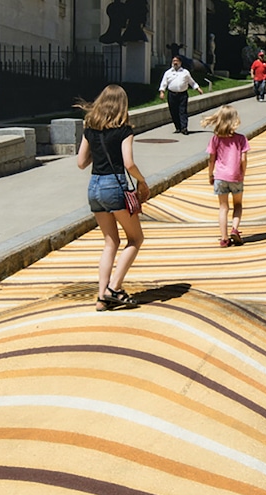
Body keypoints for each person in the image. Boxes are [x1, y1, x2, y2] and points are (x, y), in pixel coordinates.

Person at [75, 84, 148, 311]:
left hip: (94, 186)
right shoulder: (124, 130)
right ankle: (114, 287)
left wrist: (97, 155)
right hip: (114, 185)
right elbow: (129, 163)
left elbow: (80, 162)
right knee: (135, 239)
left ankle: (101, 296)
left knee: (110, 242)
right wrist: (142, 181)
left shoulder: (91, 128)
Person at [201, 106, 250, 248]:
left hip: (220, 176)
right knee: (238, 204)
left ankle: (224, 238)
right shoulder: (241, 139)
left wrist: (210, 174)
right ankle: (234, 228)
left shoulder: (215, 139)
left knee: (223, 207)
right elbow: (243, 159)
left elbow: (211, 159)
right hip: (236, 176)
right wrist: (242, 173)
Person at [158, 56, 203, 135]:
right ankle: (178, 127)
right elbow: (164, 83)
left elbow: (191, 82)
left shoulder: (185, 72)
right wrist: (162, 92)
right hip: (172, 94)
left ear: (180, 63)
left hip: (182, 95)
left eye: (177, 61)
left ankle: (184, 127)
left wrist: (197, 88)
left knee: (182, 111)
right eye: (173, 61)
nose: (175, 62)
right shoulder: (168, 73)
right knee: (173, 111)